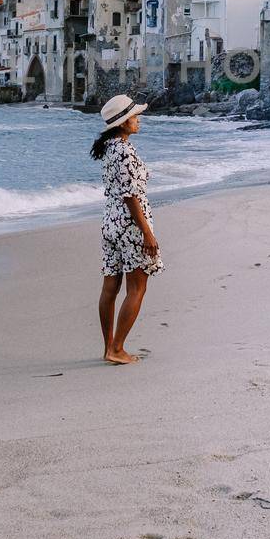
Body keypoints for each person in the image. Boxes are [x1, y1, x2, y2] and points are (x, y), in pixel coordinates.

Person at [91, 94, 162, 364]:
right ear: (123, 123)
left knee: (111, 286)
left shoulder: (110, 147)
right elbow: (131, 196)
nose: (138, 120)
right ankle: (117, 349)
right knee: (137, 287)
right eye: (134, 116)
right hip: (130, 224)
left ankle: (109, 346)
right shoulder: (124, 150)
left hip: (110, 221)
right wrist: (147, 233)